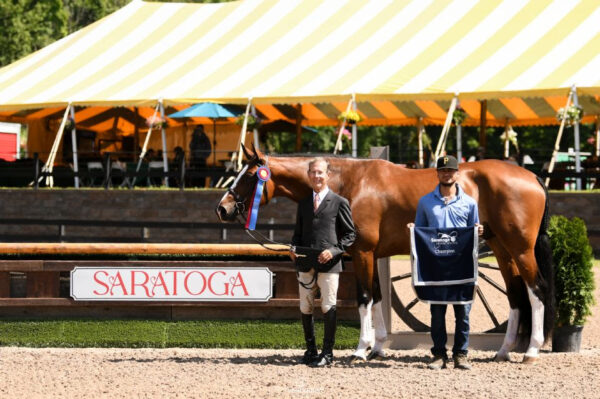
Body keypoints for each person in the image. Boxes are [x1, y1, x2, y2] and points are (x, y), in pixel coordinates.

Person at [408, 155, 483, 370]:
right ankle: (439, 354)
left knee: (463, 313)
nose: (447, 174)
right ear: (437, 173)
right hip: (436, 268)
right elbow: (422, 233)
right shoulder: (425, 202)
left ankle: (461, 354)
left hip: (461, 266)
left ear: (457, 174)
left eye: (450, 170)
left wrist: (479, 231)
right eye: (443, 170)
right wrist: (413, 230)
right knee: (437, 313)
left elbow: (473, 234)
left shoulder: (470, 203)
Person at [290, 157, 356, 367]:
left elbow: (350, 235)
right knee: (305, 306)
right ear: (308, 175)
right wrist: (293, 248)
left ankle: (328, 353)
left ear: (328, 175)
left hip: (329, 264)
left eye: (320, 172)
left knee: (328, 306)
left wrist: (334, 251)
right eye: (313, 172)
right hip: (305, 264)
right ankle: (311, 351)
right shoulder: (303, 204)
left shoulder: (340, 202)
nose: (316, 176)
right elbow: (297, 235)